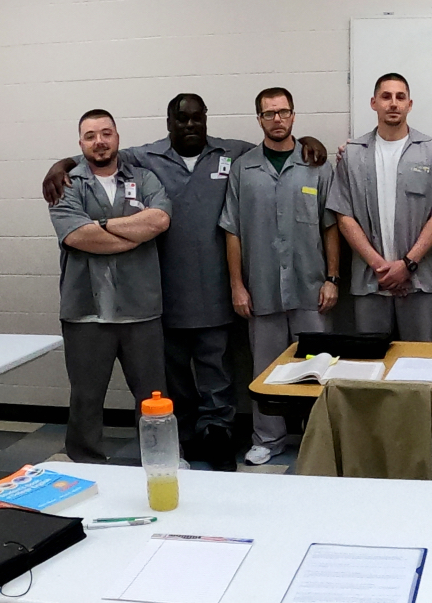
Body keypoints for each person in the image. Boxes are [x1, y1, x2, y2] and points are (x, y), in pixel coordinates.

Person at [41, 94, 326, 471]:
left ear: (206, 119)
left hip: (215, 289)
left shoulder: (231, 153)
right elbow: (99, 159)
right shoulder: (145, 159)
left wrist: (308, 141)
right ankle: (180, 441)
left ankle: (218, 436)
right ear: (168, 123)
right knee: (169, 380)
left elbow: (274, 144)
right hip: (165, 292)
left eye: (196, 119)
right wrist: (61, 165)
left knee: (216, 372)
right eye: (181, 120)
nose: (190, 125)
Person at [220, 87, 339, 466]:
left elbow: (331, 225)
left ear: (293, 115)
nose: (277, 119)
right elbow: (232, 230)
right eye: (269, 113)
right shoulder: (244, 168)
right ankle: (267, 440)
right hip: (263, 289)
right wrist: (238, 286)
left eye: (283, 112)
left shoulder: (315, 164)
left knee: (318, 368)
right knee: (265, 369)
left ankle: (320, 439)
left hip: (310, 288)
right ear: (258, 118)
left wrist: (331, 278)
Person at [48, 110, 172, 463]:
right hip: (85, 311)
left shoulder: (145, 178)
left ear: (117, 137)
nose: (99, 141)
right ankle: (87, 463)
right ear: (80, 143)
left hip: (141, 309)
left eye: (106, 133)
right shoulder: (65, 184)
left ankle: (158, 458)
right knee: (86, 397)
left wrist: (100, 225)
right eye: (90, 136)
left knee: (153, 396)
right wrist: (133, 233)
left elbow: (160, 219)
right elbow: (76, 235)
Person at [327, 73, 432, 342]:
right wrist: (380, 267)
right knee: (373, 367)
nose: (393, 103)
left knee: (420, 364)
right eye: (386, 97)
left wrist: (407, 265)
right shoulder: (353, 154)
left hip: (420, 283)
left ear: (410, 104)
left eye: (400, 97)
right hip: (370, 282)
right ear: (374, 103)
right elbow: (344, 216)